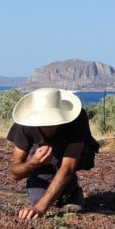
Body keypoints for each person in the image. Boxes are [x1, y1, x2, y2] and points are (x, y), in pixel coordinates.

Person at [6, 87, 98, 220]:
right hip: (41, 159)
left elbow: (68, 168)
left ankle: (73, 191)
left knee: (63, 168)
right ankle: (62, 188)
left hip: (77, 152)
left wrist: (40, 208)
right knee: (37, 198)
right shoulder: (23, 126)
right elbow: (14, 174)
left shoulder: (77, 119)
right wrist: (34, 163)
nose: (49, 125)